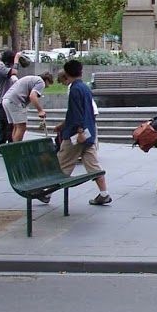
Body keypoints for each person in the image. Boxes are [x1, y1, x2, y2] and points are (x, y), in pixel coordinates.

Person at [56, 60, 111, 206]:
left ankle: (46, 193)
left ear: (66, 74)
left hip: (76, 135)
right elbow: (87, 111)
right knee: (93, 165)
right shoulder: (85, 87)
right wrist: (64, 125)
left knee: (62, 163)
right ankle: (104, 193)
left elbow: (76, 113)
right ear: (81, 72)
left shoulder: (74, 89)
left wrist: (78, 131)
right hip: (89, 133)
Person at [1, 71, 53, 143]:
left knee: (16, 126)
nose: (48, 86)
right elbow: (32, 96)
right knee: (22, 127)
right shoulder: (41, 82)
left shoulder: (32, 78)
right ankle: (17, 149)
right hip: (15, 101)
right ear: (47, 80)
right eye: (49, 84)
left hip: (6, 99)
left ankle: (13, 147)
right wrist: (40, 110)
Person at [0, 49, 20, 147]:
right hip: (3, 101)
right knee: (5, 124)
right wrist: (16, 60)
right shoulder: (0, 67)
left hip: (7, 100)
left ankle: (4, 145)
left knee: (8, 124)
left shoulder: (3, 67)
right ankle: (3, 145)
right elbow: (14, 72)